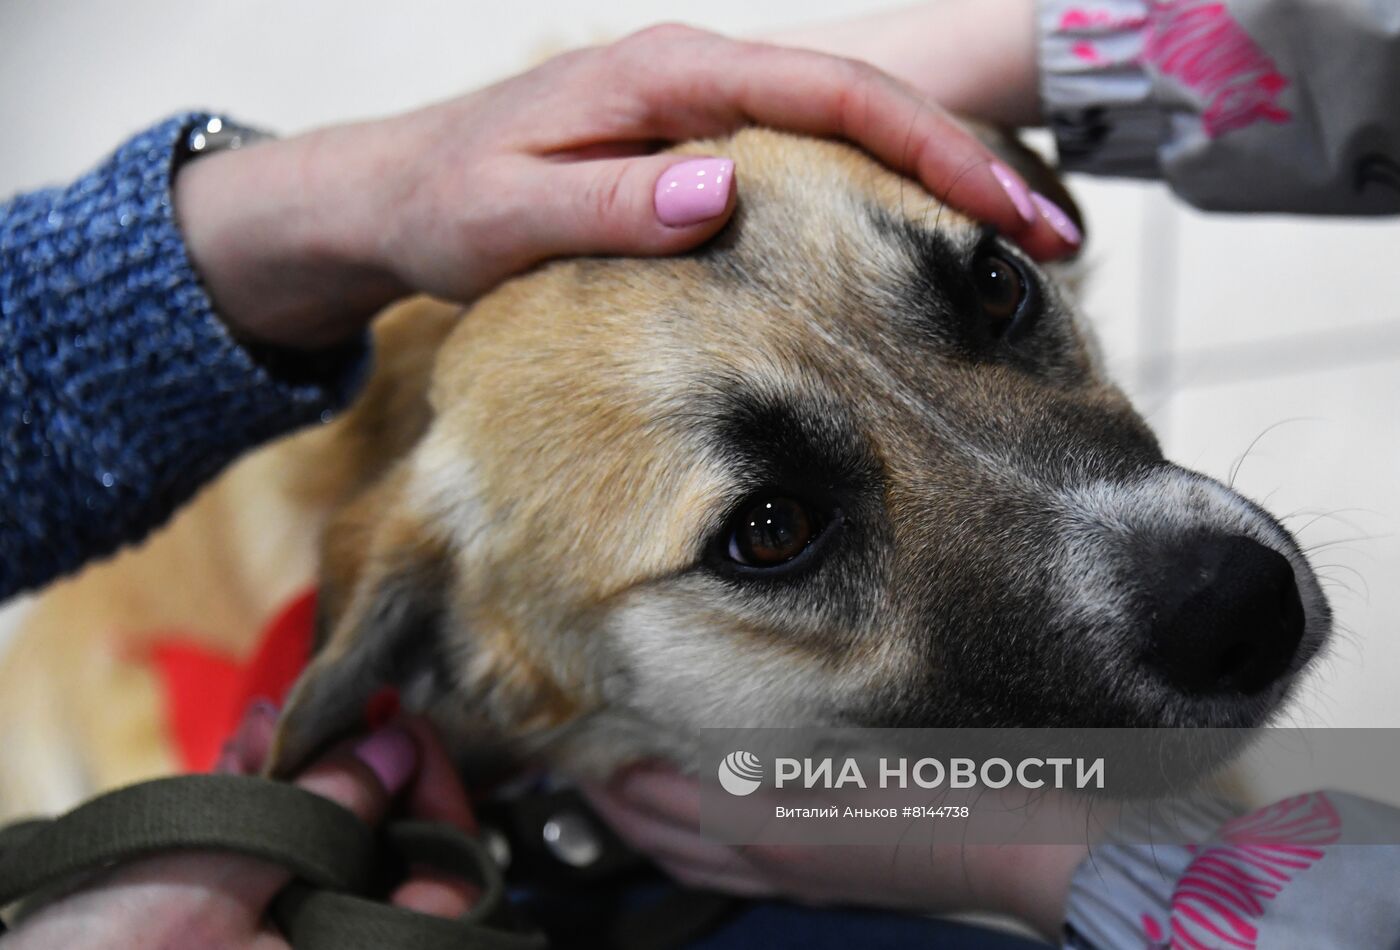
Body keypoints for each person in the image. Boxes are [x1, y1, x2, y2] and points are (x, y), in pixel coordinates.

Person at [1, 1, 1397, 946]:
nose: (1200, 566)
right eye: (773, 530)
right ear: (491, 666)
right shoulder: (464, 565)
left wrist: (1046, 858)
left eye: (990, 297)